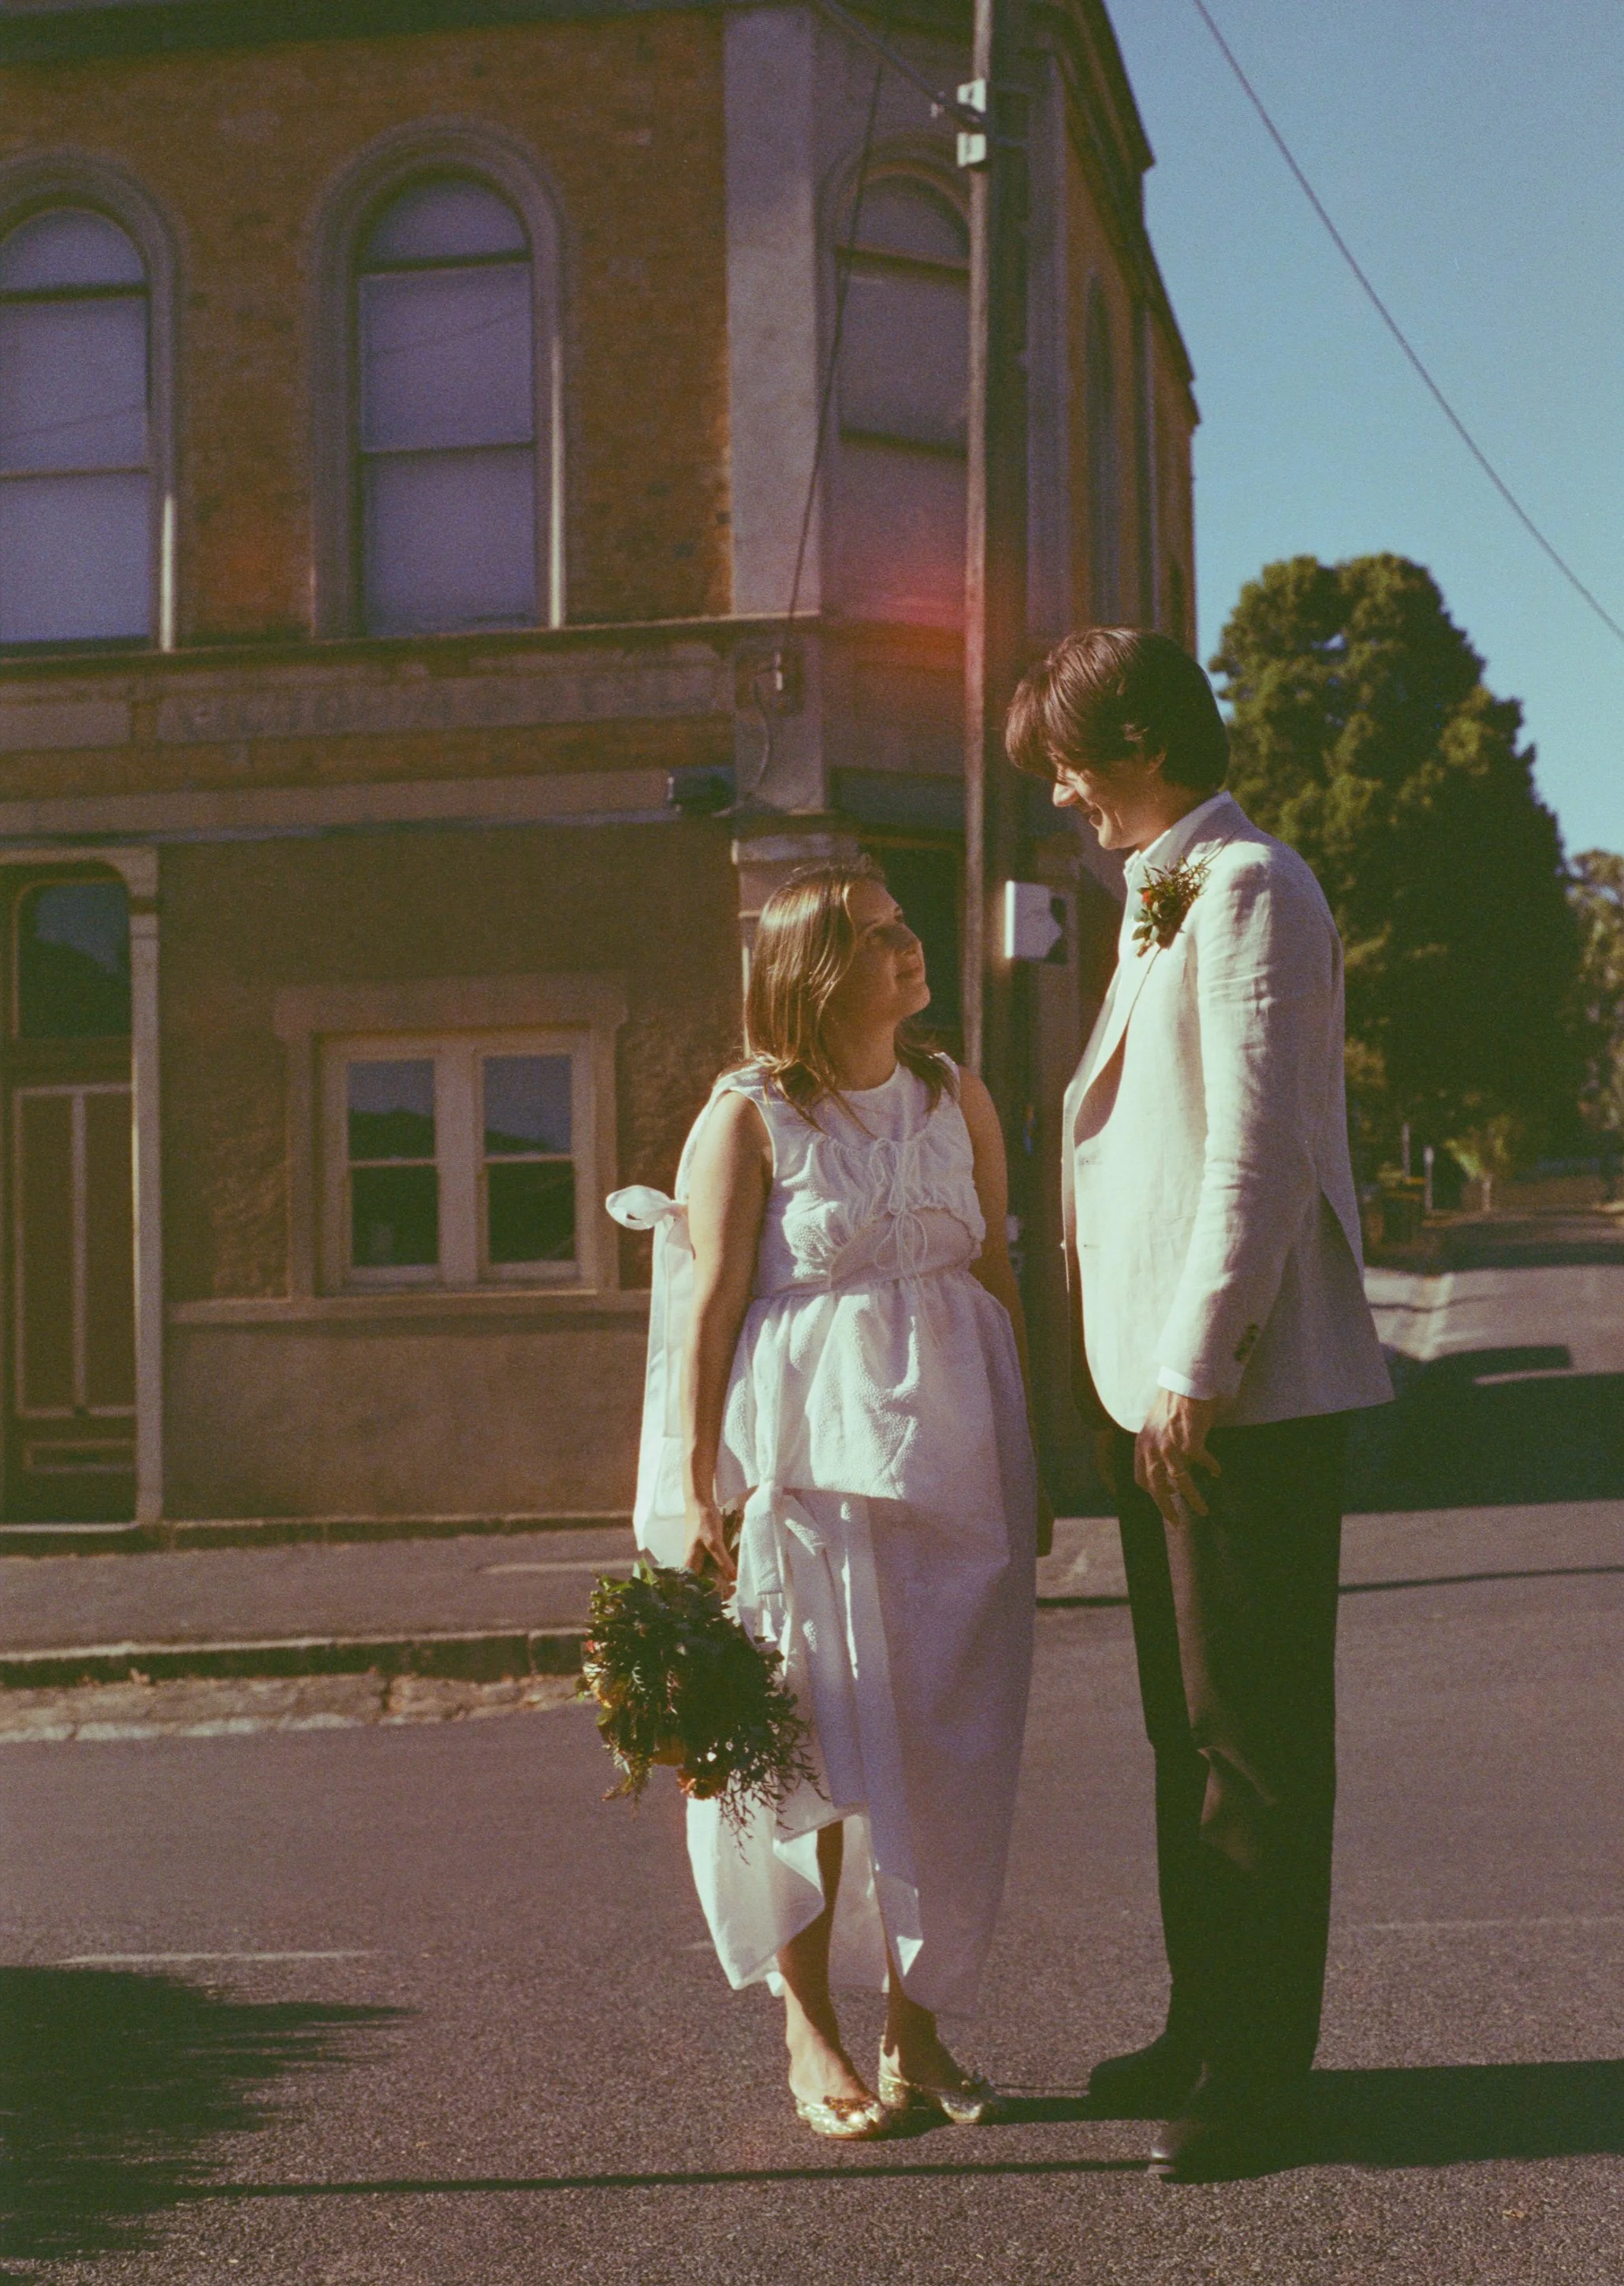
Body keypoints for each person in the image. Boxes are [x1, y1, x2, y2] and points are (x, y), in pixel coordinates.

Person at [1007, 628, 1392, 2183]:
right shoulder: (1161, 894)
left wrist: (1193, 1364)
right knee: (1188, 1735)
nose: (1056, 786)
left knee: (1254, 1744)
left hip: (1233, 1397)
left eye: (1068, 754)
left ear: (1149, 739)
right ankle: (1199, 2022)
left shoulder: (1248, 887)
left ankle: (1256, 2072)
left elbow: (1260, 1148)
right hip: (1165, 1392)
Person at [608, 859, 1043, 2141]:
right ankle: (812, 2030)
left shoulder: (958, 1094)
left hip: (962, 1461)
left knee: (950, 1751)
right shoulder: (747, 1116)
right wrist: (695, 1486)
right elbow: (706, 1311)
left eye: (905, 925)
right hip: (804, 1466)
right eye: (874, 936)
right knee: (807, 1748)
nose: (908, 947)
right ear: (809, 975)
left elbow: (1000, 1268)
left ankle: (919, 2033)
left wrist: (1045, 1468)